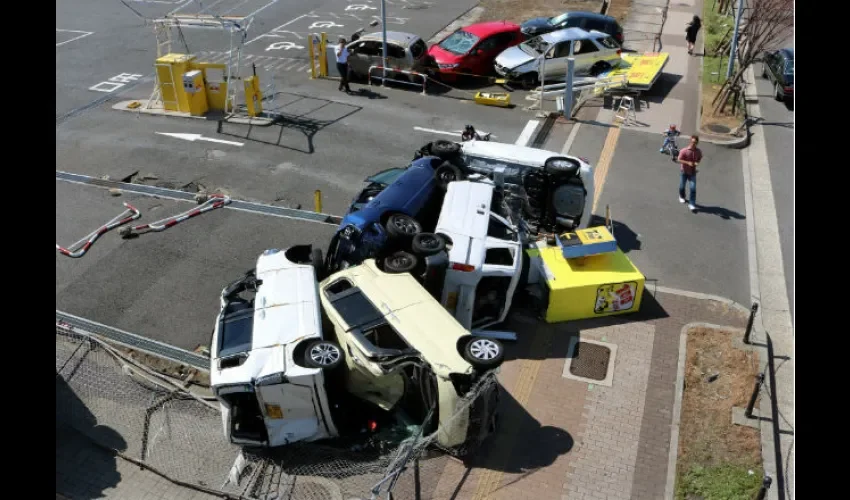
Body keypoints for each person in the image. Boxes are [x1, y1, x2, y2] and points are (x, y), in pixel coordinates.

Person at [677, 135, 702, 213]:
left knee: (693, 189)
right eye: (692, 142)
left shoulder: (698, 151)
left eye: (695, 142)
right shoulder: (684, 150)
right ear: (690, 141)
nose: (693, 143)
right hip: (684, 171)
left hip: (692, 173)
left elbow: (700, 158)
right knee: (682, 186)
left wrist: (697, 162)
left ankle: (692, 203)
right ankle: (682, 196)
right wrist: (687, 162)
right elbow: (679, 159)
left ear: (697, 143)